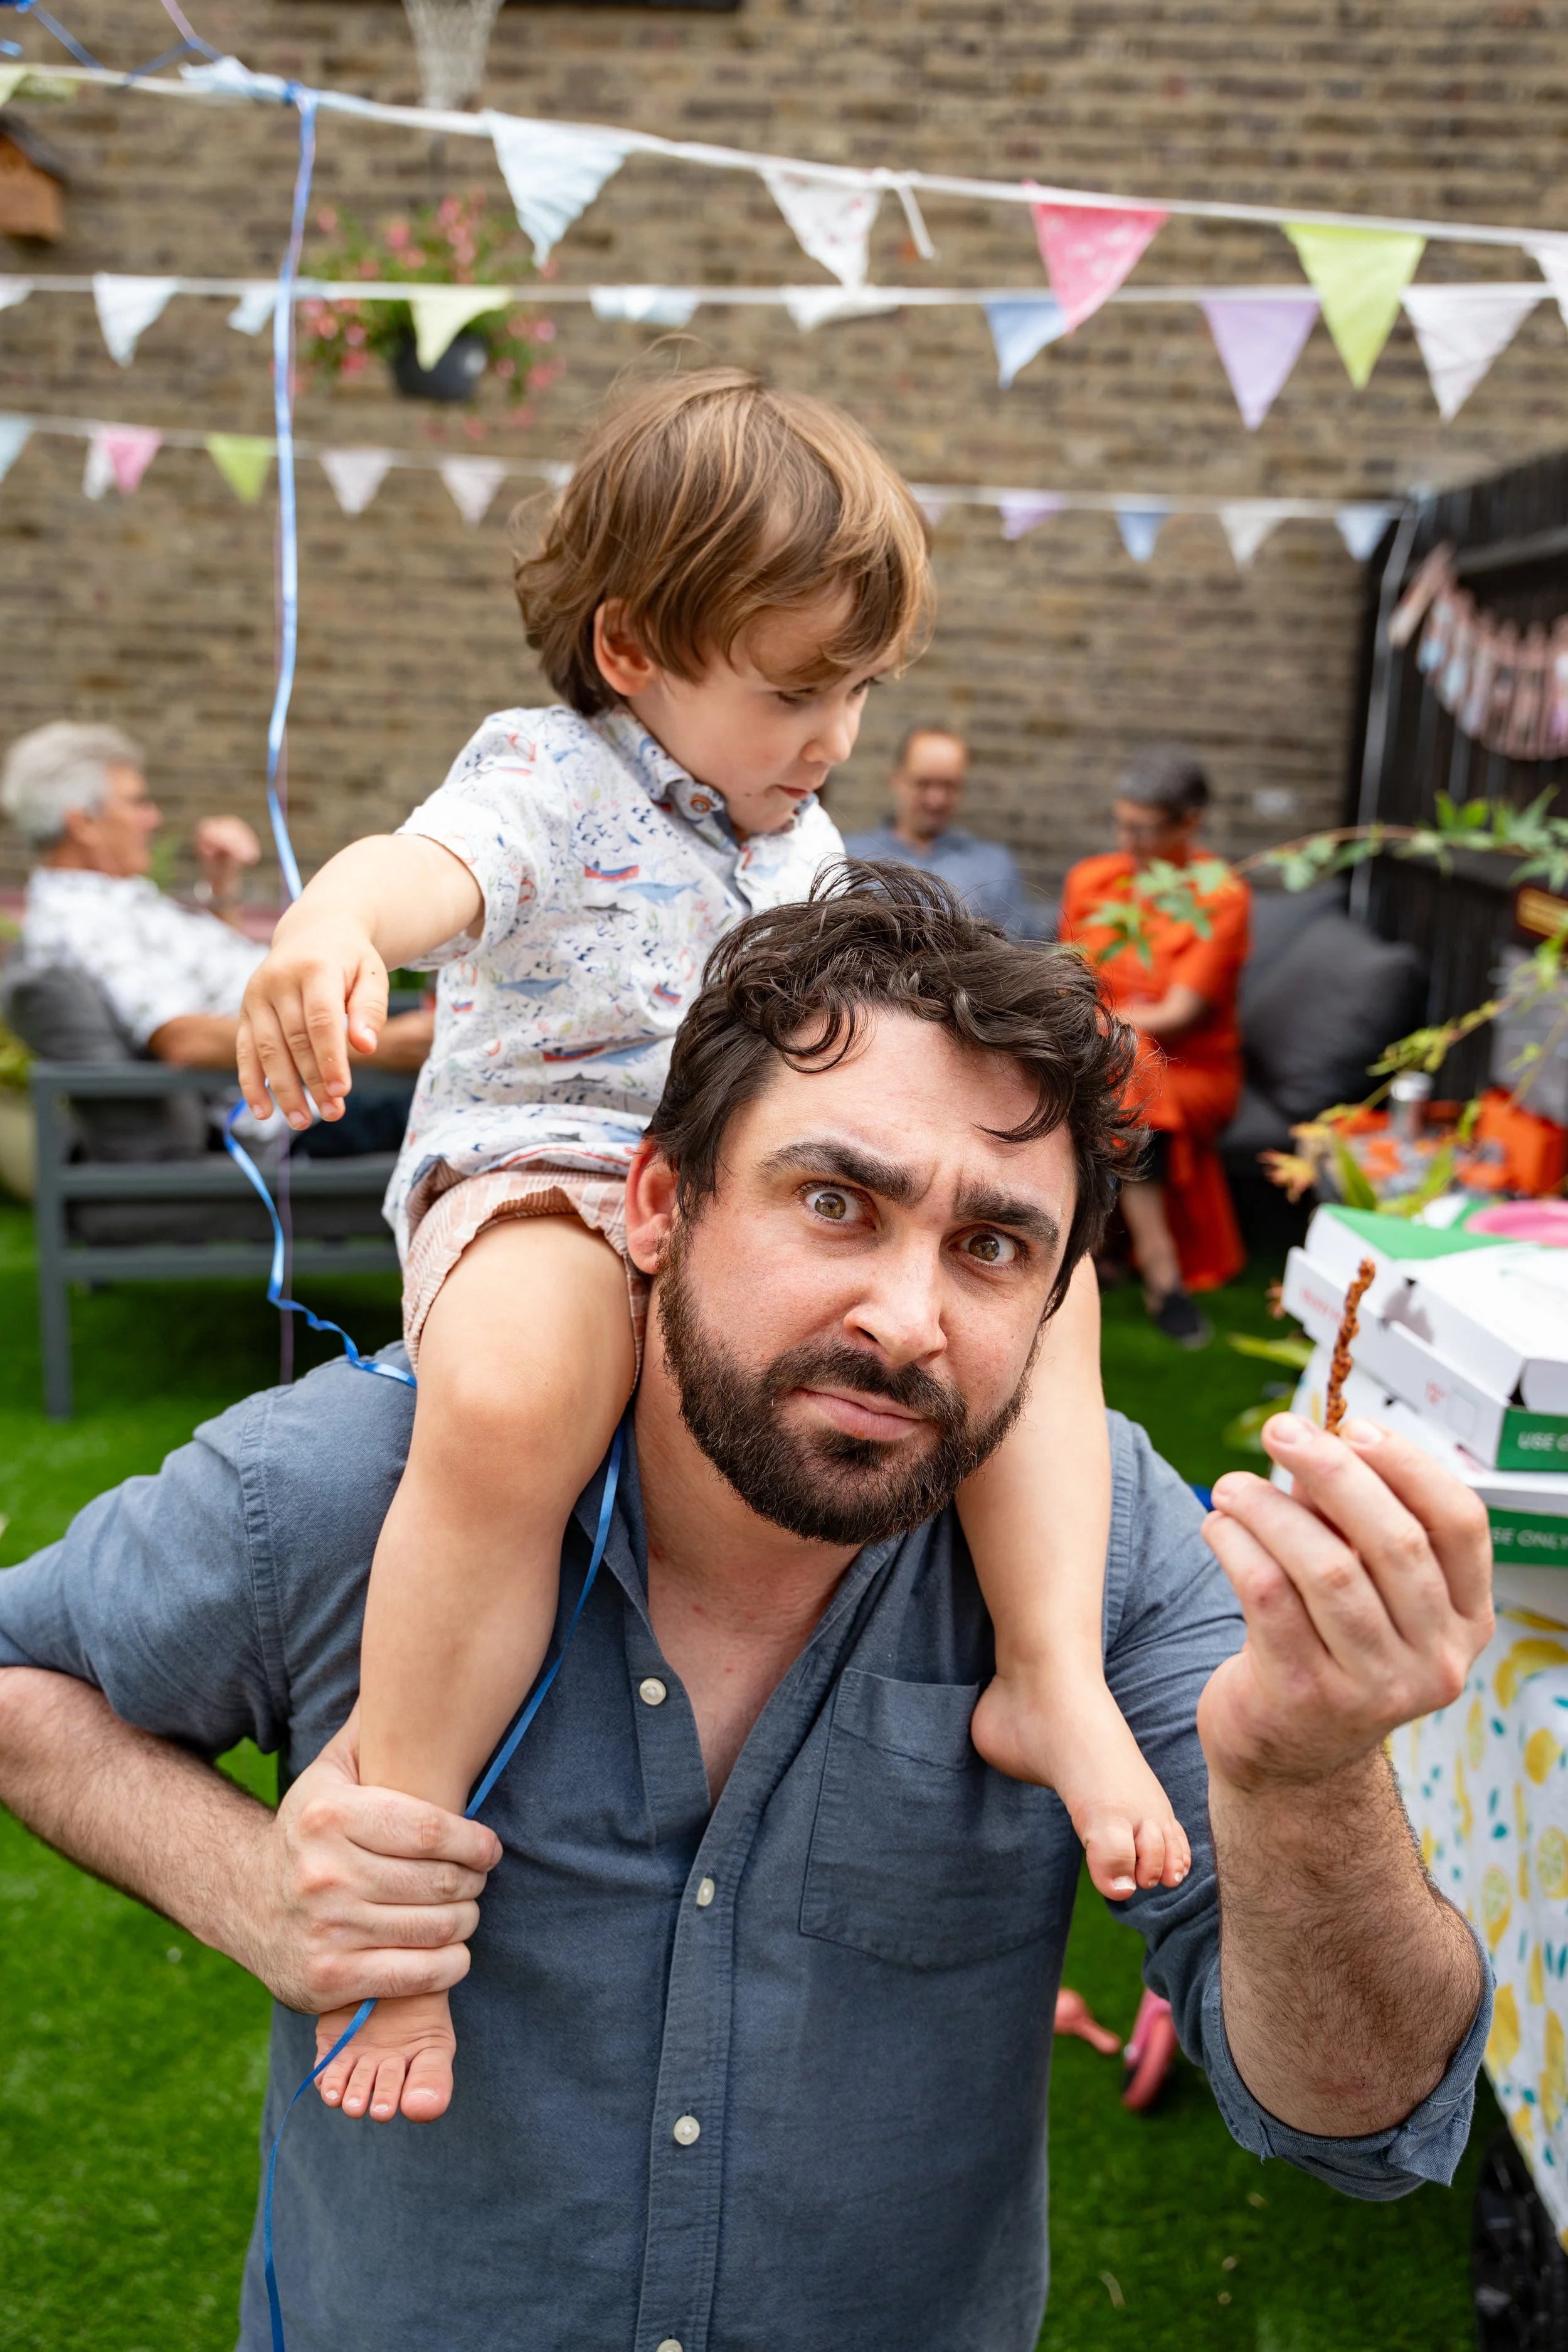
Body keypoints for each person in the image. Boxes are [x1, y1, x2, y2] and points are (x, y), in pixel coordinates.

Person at [0, 871, 1493, 2352]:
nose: (908, 1319)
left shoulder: (1103, 1547)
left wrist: (1306, 1778)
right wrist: (248, 1884)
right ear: (658, 1200)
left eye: (991, 1247)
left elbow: (1355, 2117)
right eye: (835, 1200)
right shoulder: (354, 1486)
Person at [233, 369, 1185, 2127]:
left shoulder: (800, 836)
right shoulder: (548, 775)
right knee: (519, 1390)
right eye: (796, 687)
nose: (834, 732)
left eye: (858, 688)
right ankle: (398, 1883)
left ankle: (1047, 1675)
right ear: (630, 646)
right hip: (545, 1176)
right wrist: (330, 926)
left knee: (1035, 1298)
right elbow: (416, 868)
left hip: (736, 1185)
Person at [0, 721, 430, 1130]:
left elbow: (215, 986)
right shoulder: (85, 921)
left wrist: (222, 888)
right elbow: (184, 1038)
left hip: (319, 1075)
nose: (153, 818)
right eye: (137, 802)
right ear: (84, 823)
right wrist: (380, 1047)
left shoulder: (108, 899)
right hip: (303, 1113)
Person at [1059, 746, 1249, 1343]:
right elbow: (1071, 980)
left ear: (1189, 822)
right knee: (1122, 1063)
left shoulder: (1220, 896)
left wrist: (1100, 1029)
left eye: (1144, 829)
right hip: (1104, 1053)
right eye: (1122, 824)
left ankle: (1147, 1260)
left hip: (1191, 1070)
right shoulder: (1094, 880)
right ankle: (1124, 1256)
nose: (1129, 840)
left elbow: (1179, 1013)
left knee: (1134, 1062)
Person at [843, 722, 1051, 936]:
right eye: (923, 784)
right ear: (897, 780)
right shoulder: (850, 858)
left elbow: (1017, 950)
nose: (936, 800)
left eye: (949, 786)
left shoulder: (994, 866)